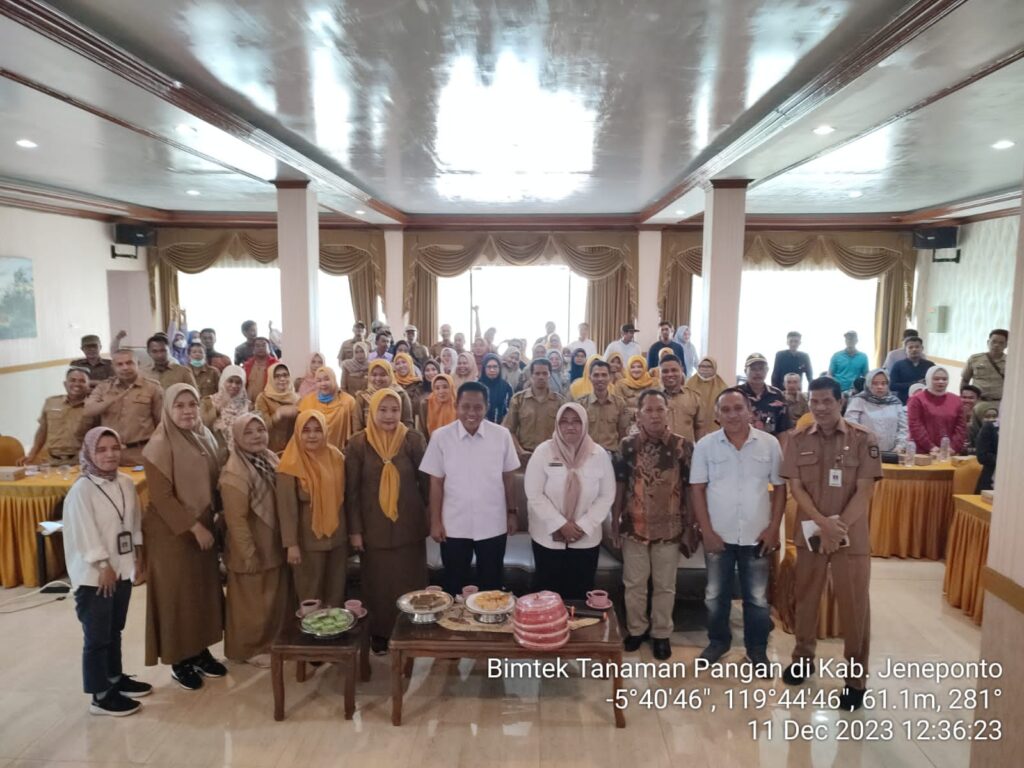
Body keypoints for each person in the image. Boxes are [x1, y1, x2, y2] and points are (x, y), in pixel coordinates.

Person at [780, 377, 882, 711]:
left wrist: (837, 529)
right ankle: (802, 659)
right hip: (811, 531)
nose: (820, 407)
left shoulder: (863, 438)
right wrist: (823, 524)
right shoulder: (797, 439)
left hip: (850, 537)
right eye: (814, 401)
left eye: (827, 401)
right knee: (806, 599)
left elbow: (865, 490)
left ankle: (855, 680)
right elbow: (796, 488)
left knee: (855, 608)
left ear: (840, 402)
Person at [690, 389, 785, 671]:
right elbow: (697, 489)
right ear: (717, 415)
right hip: (719, 534)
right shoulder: (705, 446)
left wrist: (773, 529)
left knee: (756, 598)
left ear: (750, 411)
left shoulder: (769, 444)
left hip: (757, 535)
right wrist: (706, 531)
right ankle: (718, 642)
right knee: (715, 595)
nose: (732, 414)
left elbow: (781, 488)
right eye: (726, 410)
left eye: (738, 408)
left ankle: (757, 650)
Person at [141, 383, 227, 691]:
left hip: (203, 524)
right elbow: (162, 498)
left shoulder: (204, 436)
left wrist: (215, 515)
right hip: (172, 533)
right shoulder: (158, 446)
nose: (188, 411)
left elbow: (214, 479)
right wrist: (194, 527)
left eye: (192, 404)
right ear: (167, 409)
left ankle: (200, 651)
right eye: (179, 405)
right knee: (177, 595)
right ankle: (180, 660)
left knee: (200, 592)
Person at [63, 426, 150, 716]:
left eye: (114, 448)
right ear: (89, 453)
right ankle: (100, 695)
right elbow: (84, 532)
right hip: (95, 576)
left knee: (115, 629)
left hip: (122, 568)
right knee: (97, 636)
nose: (109, 455)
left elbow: (133, 522)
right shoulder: (82, 489)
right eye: (101, 450)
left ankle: (114, 677)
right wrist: (102, 565)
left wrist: (137, 555)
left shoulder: (125, 482)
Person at [346, 389, 430, 653]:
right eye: (382, 410)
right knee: (378, 586)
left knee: (411, 582)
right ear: (372, 412)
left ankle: (412, 632)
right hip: (374, 528)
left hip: (409, 527)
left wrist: (430, 518)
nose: (389, 416)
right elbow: (351, 492)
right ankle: (380, 635)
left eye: (394, 410)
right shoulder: (358, 443)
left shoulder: (413, 439)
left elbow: (427, 483)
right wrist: (355, 531)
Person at [421, 381, 520, 594]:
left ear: (487, 407)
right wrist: (435, 521)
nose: (472, 413)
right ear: (456, 406)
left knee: (492, 586)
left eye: (478, 407)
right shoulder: (441, 437)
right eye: (465, 406)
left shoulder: (501, 435)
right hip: (454, 525)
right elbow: (436, 482)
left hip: (493, 524)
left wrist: (512, 512)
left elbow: (508, 477)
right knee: (454, 585)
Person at [614, 390, 692, 661]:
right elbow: (620, 485)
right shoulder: (627, 445)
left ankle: (661, 634)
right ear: (638, 415)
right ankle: (636, 630)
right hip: (634, 526)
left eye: (660, 409)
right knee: (634, 583)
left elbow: (690, 488)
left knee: (665, 585)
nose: (655, 415)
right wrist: (614, 521)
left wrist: (691, 526)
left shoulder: (683, 446)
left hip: (670, 528)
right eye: (649, 410)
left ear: (668, 412)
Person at [525, 403, 615, 598]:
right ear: (557, 424)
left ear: (585, 424)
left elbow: (606, 495)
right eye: (564, 421)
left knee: (580, 595)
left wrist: (582, 526)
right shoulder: (543, 452)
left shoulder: (599, 454)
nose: (570, 426)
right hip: (547, 538)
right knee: (547, 595)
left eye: (576, 421)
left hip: (585, 538)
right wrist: (560, 524)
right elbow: (534, 493)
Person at [219, 414, 287, 668]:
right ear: (237, 437)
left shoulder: (268, 458)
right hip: (251, 547)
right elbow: (236, 520)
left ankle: (268, 644)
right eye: (248, 432)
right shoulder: (235, 471)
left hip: (270, 542)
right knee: (251, 604)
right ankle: (248, 649)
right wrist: (248, 553)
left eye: (261, 430)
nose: (257, 436)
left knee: (269, 600)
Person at [278, 411, 348, 607]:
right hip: (307, 542)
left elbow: (346, 498)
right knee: (310, 593)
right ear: (297, 432)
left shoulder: (336, 457)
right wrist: (291, 544)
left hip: (337, 537)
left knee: (336, 592)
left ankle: (335, 626)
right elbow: (286, 509)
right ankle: (310, 627)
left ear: (325, 431)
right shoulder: (289, 463)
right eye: (306, 430)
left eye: (317, 430)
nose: (312, 435)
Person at [83, 350, 163, 466]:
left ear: (138, 364)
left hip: (142, 453)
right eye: (119, 364)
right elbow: (87, 411)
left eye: (129, 363)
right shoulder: (103, 388)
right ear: (113, 367)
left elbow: (161, 423)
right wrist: (107, 401)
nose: (125, 368)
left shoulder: (152, 388)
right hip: (110, 455)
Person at [20, 367, 91, 465]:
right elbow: (42, 431)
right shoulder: (51, 402)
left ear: (88, 386)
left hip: (82, 462)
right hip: (52, 461)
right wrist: (32, 454)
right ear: (65, 384)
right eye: (73, 380)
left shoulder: (94, 407)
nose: (77, 384)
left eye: (82, 381)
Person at [504, 358, 566, 461]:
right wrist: (520, 451)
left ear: (549, 375)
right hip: (524, 455)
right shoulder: (518, 400)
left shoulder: (560, 401)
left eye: (545, 373)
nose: (541, 377)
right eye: (537, 373)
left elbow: (564, 432)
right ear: (531, 375)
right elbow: (509, 430)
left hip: (552, 455)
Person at [844, 369, 907, 453]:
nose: (880, 387)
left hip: (892, 452)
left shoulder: (895, 402)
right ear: (868, 384)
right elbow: (850, 424)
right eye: (875, 383)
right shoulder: (859, 401)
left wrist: (900, 446)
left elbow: (903, 428)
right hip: (864, 452)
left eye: (883, 383)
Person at [907, 366, 966, 454]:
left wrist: (953, 447)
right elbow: (915, 425)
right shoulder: (917, 399)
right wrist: (931, 447)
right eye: (936, 379)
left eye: (944, 379)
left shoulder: (956, 400)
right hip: (922, 452)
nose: (941, 382)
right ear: (929, 379)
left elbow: (961, 426)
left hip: (949, 453)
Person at [573, 359, 629, 452]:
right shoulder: (581, 404)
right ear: (590, 377)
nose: (600, 379)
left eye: (604, 375)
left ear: (610, 377)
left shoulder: (619, 403)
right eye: (596, 375)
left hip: (612, 454)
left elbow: (623, 434)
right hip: (587, 453)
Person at [298, 366, 357, 451]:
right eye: (319, 381)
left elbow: (355, 430)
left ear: (333, 380)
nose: (323, 384)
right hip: (313, 452)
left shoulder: (348, 401)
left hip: (340, 452)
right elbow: (300, 429)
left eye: (326, 379)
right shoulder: (308, 401)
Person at [353, 360, 415, 432]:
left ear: (390, 375)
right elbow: (357, 426)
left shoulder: (400, 394)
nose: (378, 379)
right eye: (374, 375)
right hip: (368, 438)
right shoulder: (363, 397)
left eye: (383, 375)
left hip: (397, 438)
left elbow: (408, 424)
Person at [200, 365, 251, 452]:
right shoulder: (208, 401)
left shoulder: (248, 405)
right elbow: (203, 424)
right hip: (217, 450)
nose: (234, 385)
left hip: (242, 452)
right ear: (223, 381)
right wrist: (219, 407)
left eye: (238, 383)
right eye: (230, 381)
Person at [739, 354, 792, 436]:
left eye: (761, 369)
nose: (758, 373)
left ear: (767, 370)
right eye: (753, 369)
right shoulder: (736, 394)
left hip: (771, 442)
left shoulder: (777, 395)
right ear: (745, 371)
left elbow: (784, 430)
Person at [659, 355, 705, 444]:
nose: (670, 374)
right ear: (659, 373)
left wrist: (699, 449)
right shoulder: (653, 399)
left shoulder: (694, 397)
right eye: (665, 371)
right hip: (660, 451)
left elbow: (700, 427)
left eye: (674, 370)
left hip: (687, 451)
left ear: (682, 370)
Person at [255, 362, 300, 453]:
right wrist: (278, 415)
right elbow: (260, 427)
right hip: (271, 448)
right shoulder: (263, 398)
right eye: (277, 376)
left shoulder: (297, 398)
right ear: (271, 378)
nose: (282, 379)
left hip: (293, 448)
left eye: (285, 375)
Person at [961, 329, 1009, 402]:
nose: (996, 345)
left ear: (1006, 345)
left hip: (999, 402)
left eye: (1001, 343)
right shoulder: (975, 359)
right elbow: (965, 380)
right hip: (977, 401)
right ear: (988, 342)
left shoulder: (1010, 362)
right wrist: (963, 398)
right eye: (994, 342)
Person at [888, 336, 934, 404]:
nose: (914, 349)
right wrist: (915, 383)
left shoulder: (930, 365)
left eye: (917, 347)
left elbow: (935, 383)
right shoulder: (898, 365)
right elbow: (892, 386)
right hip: (903, 402)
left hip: (925, 402)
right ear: (905, 350)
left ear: (922, 348)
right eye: (910, 347)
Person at [685, 356, 728, 429]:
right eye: (702, 366)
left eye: (709, 366)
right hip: (693, 427)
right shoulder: (689, 384)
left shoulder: (722, 387)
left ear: (714, 368)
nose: (705, 369)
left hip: (714, 427)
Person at [420, 373, 457, 440]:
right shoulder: (426, 404)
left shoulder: (458, 404)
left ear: (451, 387)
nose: (441, 391)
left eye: (445, 387)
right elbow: (422, 430)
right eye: (437, 388)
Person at [479, 353, 513, 424]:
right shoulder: (477, 386)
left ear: (499, 368)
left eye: (495, 367)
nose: (492, 370)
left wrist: (502, 426)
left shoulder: (506, 386)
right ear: (484, 369)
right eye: (489, 367)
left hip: (502, 425)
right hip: (480, 424)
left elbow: (510, 409)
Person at [242, 338, 279, 402]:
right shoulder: (246, 365)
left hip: (267, 403)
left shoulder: (276, 365)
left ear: (269, 349)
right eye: (257, 346)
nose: (260, 348)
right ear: (253, 349)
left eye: (263, 345)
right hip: (248, 404)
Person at [393, 352, 425, 417]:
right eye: (397, 364)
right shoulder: (392, 383)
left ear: (410, 364)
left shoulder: (418, 383)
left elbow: (417, 406)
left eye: (404, 362)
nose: (401, 366)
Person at [975, 409, 999, 493]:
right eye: (988, 416)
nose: (991, 419)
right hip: (992, 480)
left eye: (994, 416)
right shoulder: (989, 427)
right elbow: (983, 456)